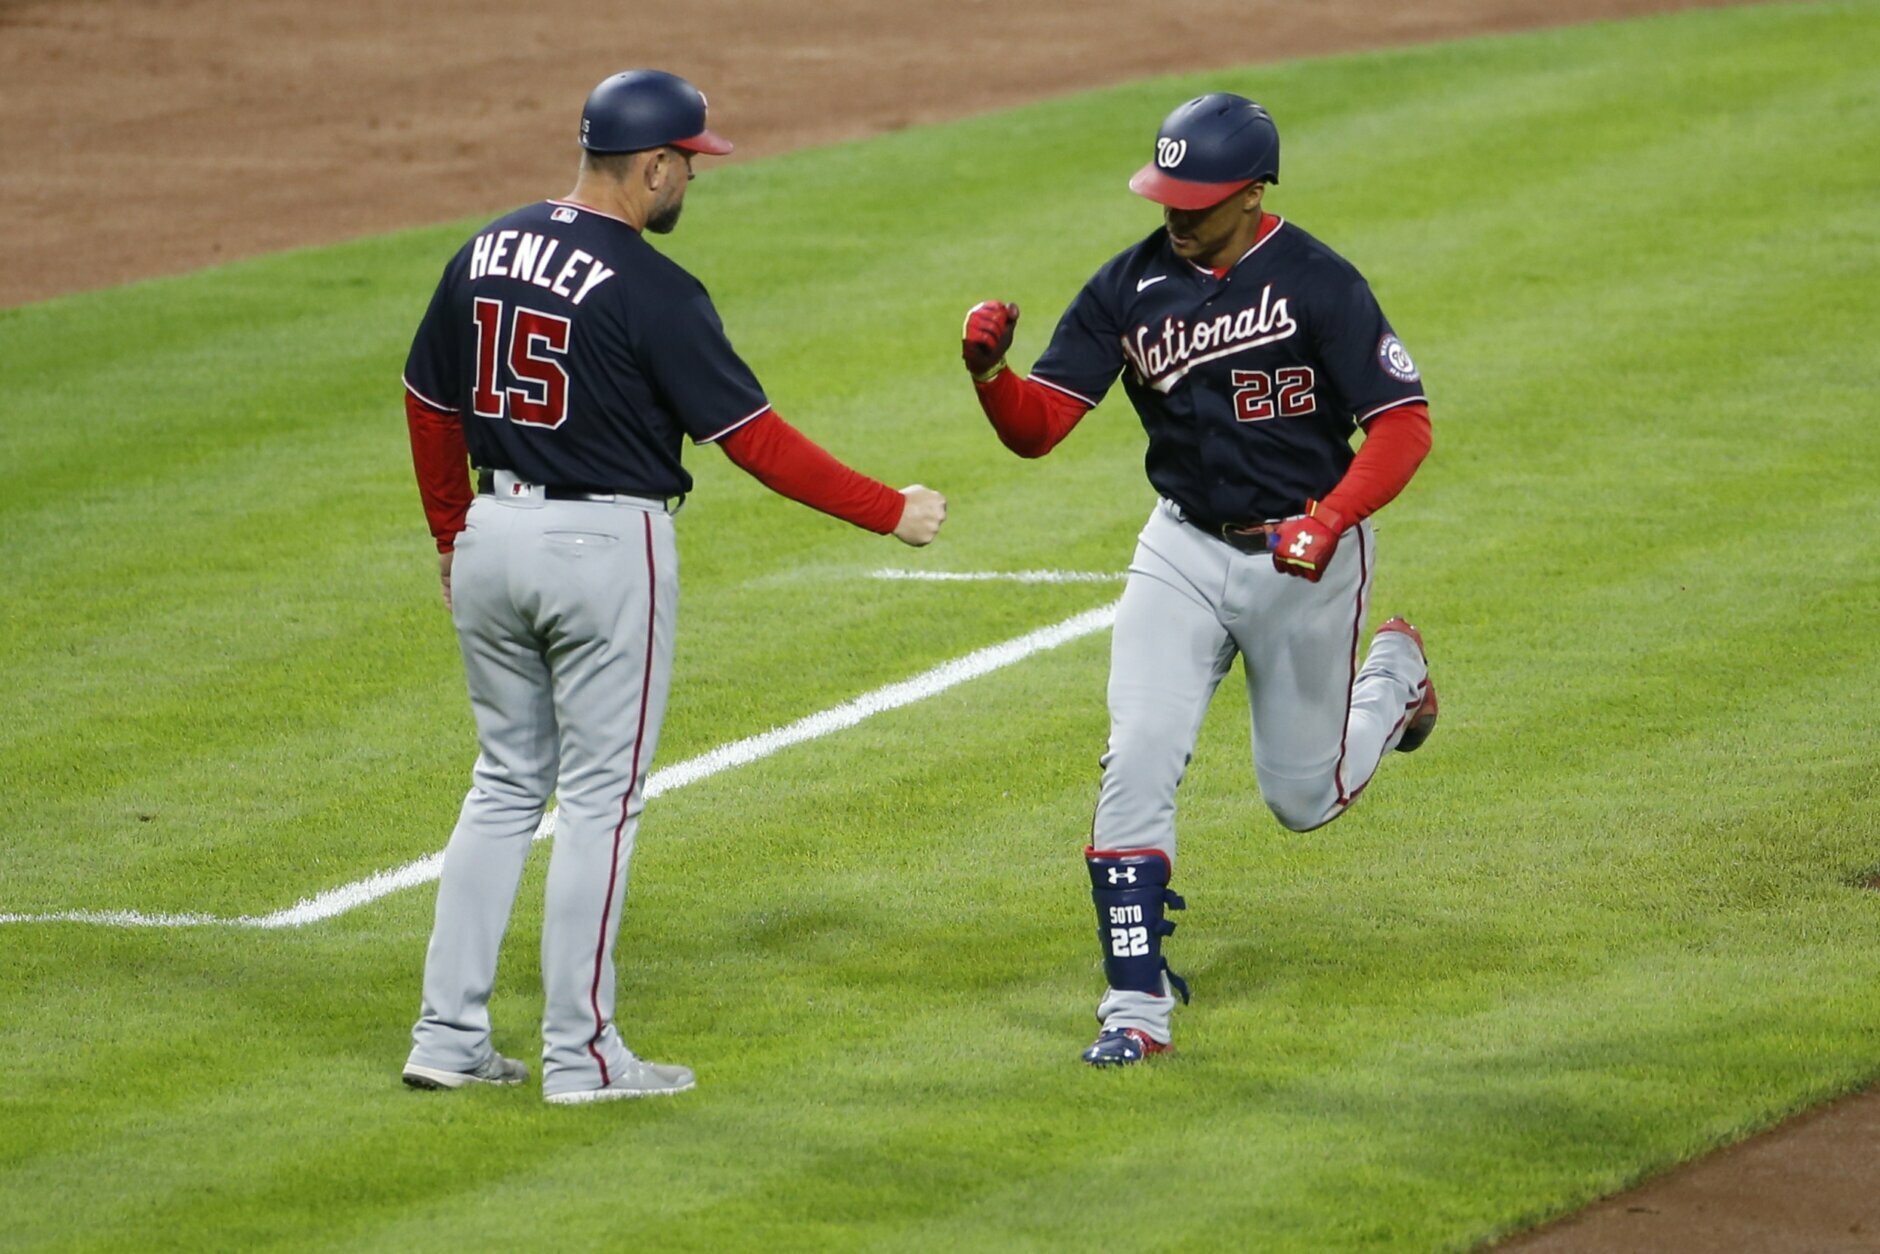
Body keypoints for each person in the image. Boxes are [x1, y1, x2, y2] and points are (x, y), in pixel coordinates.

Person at [399, 69, 947, 1103]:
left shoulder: (485, 247)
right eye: (688, 164)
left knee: (506, 783)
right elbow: (756, 443)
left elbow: (428, 402)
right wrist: (890, 510)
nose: (692, 179)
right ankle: (583, 1054)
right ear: (650, 166)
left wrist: (446, 533)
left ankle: (446, 1035)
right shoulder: (653, 288)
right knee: (600, 801)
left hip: (491, 531)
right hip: (602, 549)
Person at [958, 93, 1436, 1067]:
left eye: (1199, 199)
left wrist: (1329, 517)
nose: (1175, 212)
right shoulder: (1125, 286)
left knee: (1301, 799)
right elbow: (1039, 428)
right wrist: (989, 376)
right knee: (1135, 754)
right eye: (1165, 192)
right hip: (1177, 547)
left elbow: (1402, 423)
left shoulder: (1316, 283)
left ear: (1253, 192)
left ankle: (1388, 686)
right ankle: (1133, 1008)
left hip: (1304, 556)